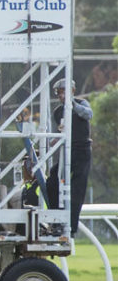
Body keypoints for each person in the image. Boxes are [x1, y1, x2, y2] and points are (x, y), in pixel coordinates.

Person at [47, 79, 93, 237]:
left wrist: (71, 104)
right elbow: (59, 132)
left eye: (64, 92)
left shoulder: (81, 103)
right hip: (67, 152)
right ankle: (56, 220)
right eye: (59, 93)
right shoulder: (58, 112)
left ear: (72, 91)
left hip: (82, 151)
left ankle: (71, 227)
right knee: (52, 181)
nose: (61, 96)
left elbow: (88, 114)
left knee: (77, 190)